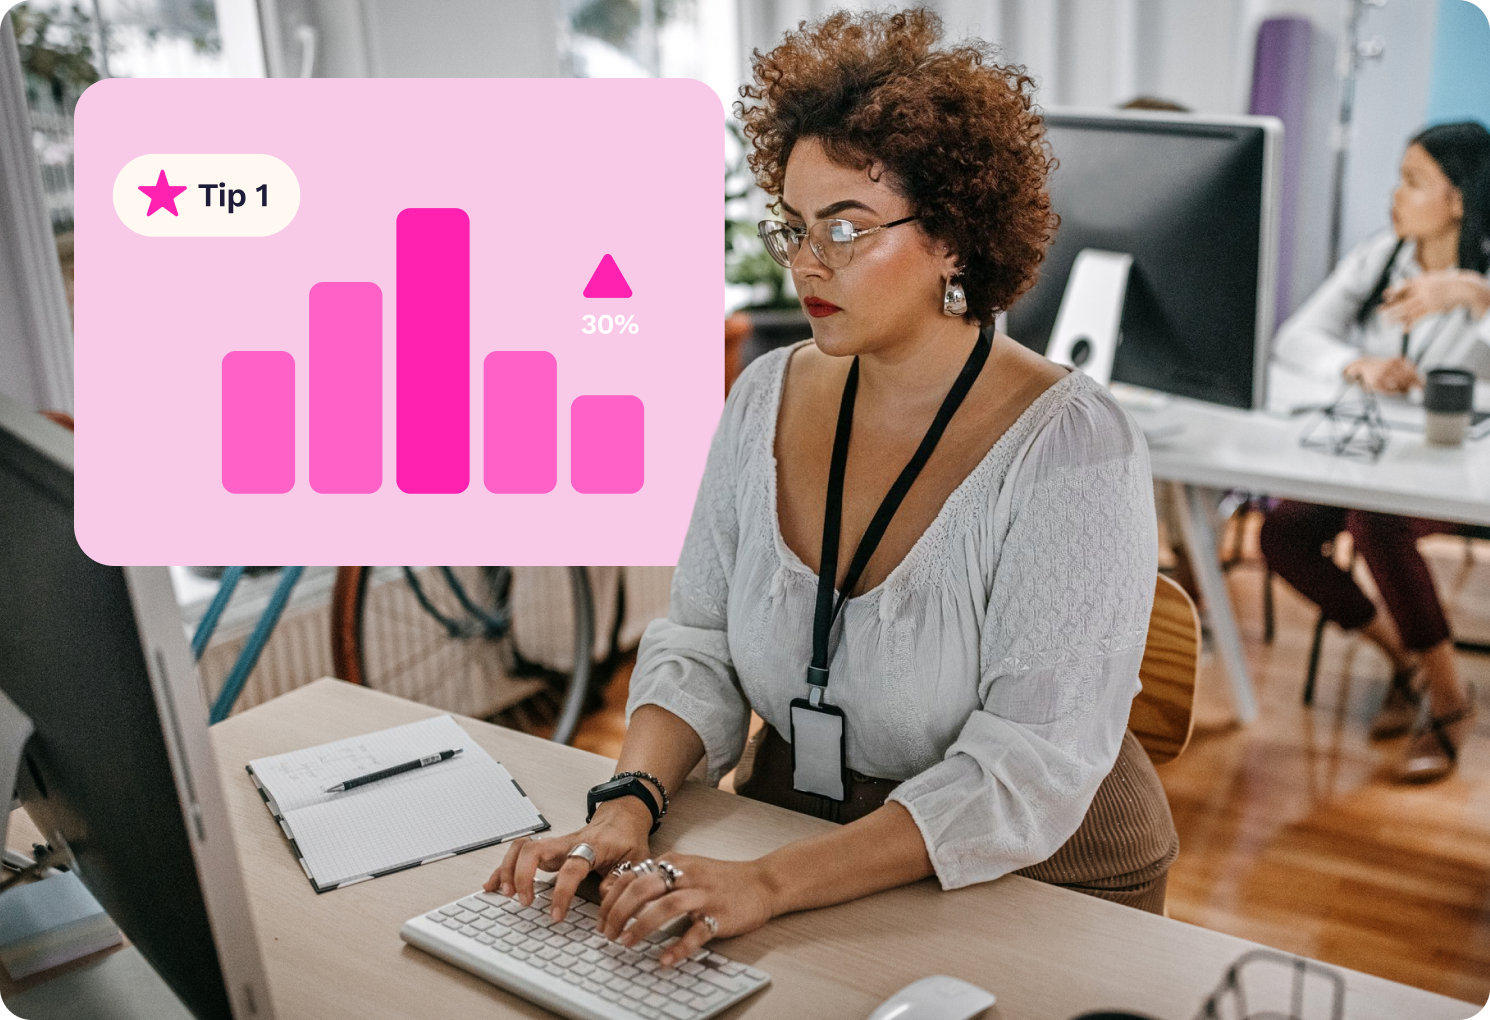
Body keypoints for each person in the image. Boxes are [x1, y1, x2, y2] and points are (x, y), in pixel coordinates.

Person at [485, 7, 1177, 964]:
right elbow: (700, 644)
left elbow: (1026, 770)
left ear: (953, 237)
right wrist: (627, 805)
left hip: (1035, 867)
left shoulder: (1074, 447)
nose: (807, 263)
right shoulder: (764, 394)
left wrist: (768, 883)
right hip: (795, 823)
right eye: (795, 227)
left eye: (846, 228)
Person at [1262, 120, 1490, 783]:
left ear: (1459, 199)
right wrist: (1357, 364)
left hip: (1459, 470)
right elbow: (1294, 339)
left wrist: (1475, 297)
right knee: (1282, 534)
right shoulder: (1382, 257)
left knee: (1376, 521)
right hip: (1374, 455)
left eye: (1413, 182)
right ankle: (1405, 661)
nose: (1396, 195)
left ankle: (1449, 701)